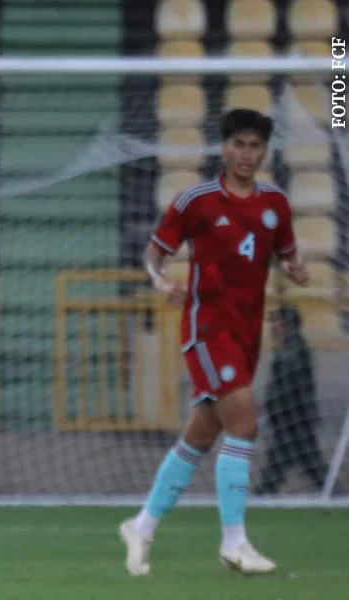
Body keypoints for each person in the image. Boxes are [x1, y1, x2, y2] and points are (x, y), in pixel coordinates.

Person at [119, 109, 310, 576]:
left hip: (248, 334)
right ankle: (234, 542)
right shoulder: (197, 200)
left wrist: (295, 269)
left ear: (265, 151)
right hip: (207, 330)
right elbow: (154, 253)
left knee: (202, 434)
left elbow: (287, 253)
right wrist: (160, 281)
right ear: (223, 147)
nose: (247, 155)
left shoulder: (276, 204)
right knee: (244, 424)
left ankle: (141, 526)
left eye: (255, 146)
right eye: (239, 144)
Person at [254, 305, 329, 495]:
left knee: (300, 461)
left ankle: (262, 494)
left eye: (277, 322)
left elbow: (286, 387)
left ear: (285, 324)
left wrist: (272, 409)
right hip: (294, 417)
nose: (274, 327)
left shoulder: (292, 350)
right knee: (292, 461)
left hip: (292, 418)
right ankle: (263, 493)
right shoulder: (293, 346)